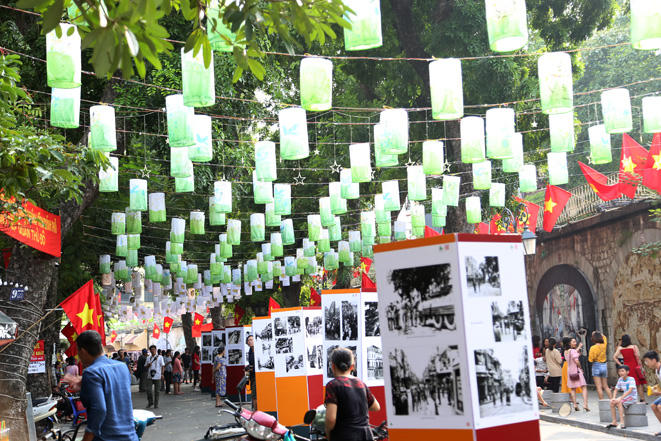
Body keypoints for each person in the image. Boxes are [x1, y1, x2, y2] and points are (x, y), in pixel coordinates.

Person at [61, 330, 138, 441]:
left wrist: (87, 437)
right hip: (130, 436)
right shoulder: (122, 367)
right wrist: (84, 383)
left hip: (106, 438)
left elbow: (99, 409)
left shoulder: (91, 372)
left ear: (83, 351)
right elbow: (113, 388)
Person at [324, 347, 380, 441]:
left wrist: (328, 433)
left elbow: (331, 419)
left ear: (333, 366)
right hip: (366, 435)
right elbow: (376, 407)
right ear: (352, 366)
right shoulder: (361, 384)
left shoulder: (333, 385)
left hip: (344, 436)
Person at [613, 334, 647, 403]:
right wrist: (640, 366)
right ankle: (642, 399)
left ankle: (629, 398)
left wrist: (621, 365)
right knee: (638, 384)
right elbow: (637, 357)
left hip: (626, 368)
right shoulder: (634, 347)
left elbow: (614, 357)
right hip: (635, 367)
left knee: (628, 383)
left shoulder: (620, 348)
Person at [606, 365, 638, 430]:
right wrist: (613, 398)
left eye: (622, 371)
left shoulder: (631, 379)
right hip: (625, 397)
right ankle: (614, 422)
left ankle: (622, 423)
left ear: (627, 372)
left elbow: (630, 391)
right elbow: (616, 389)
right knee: (612, 402)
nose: (620, 373)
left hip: (632, 397)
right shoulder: (620, 379)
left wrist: (620, 398)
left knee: (619, 402)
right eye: (619, 371)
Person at [564, 337, 589, 412]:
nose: (575, 343)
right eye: (573, 342)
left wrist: (578, 347)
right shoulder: (573, 351)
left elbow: (573, 354)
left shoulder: (566, 351)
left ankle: (575, 404)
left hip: (570, 371)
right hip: (576, 370)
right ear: (569, 343)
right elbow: (576, 361)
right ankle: (585, 405)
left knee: (573, 388)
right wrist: (580, 367)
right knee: (584, 387)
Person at [642, 351, 661, 436]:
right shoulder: (657, 370)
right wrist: (655, 389)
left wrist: (658, 392)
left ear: (653, 360)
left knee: (659, 406)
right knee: (653, 406)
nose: (646, 364)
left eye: (647, 361)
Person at [588, 331, 611, 400]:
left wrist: (594, 334)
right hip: (604, 365)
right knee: (605, 386)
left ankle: (602, 402)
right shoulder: (604, 345)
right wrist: (598, 333)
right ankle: (612, 400)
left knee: (599, 387)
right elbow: (605, 337)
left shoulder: (593, 348)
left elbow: (590, 359)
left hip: (596, 366)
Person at [144, 345, 164, 409]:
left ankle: (156, 404)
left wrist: (162, 374)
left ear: (156, 350)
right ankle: (150, 402)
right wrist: (148, 365)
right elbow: (145, 366)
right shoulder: (148, 358)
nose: (153, 350)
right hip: (150, 376)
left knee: (157, 391)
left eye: (154, 349)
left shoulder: (160, 357)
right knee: (148, 390)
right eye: (151, 349)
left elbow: (162, 366)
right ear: (150, 350)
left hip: (157, 376)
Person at [245, 336, 256, 409]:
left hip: (257, 375)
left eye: (251, 340)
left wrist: (251, 368)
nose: (250, 341)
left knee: (255, 394)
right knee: (253, 393)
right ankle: (254, 409)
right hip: (252, 375)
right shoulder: (250, 350)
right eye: (248, 340)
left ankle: (255, 410)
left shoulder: (256, 350)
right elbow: (251, 363)